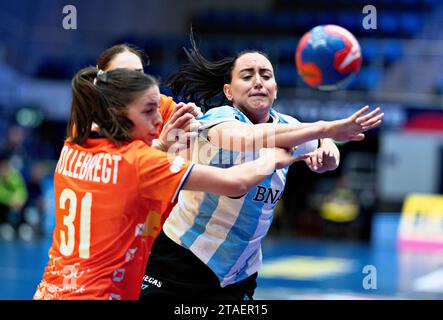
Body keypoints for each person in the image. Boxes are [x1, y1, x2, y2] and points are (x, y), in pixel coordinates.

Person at [140, 37, 384, 300]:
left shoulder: (289, 125)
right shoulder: (218, 120)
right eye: (247, 76)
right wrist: (325, 128)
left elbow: (325, 147)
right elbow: (247, 137)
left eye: (266, 76)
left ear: (275, 89)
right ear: (229, 91)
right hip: (183, 258)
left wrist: (328, 153)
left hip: (239, 273)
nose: (258, 81)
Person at [33, 66, 301, 300]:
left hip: (51, 289)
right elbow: (236, 182)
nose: (159, 119)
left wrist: (162, 144)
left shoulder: (73, 146)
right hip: (101, 293)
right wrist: (278, 156)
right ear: (118, 111)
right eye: (150, 110)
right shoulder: (141, 162)